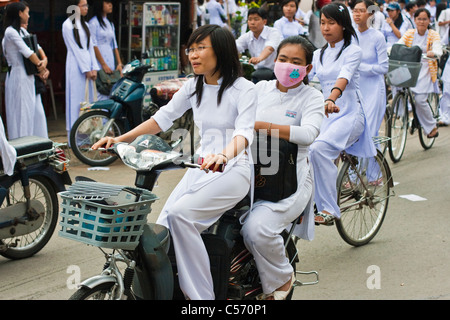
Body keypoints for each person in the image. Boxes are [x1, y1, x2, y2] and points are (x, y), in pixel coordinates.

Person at [92, 24, 257, 300]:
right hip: (201, 168)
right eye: (190, 49)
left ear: (222, 51)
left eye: (200, 48)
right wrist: (121, 139)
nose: (192, 55)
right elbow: (162, 119)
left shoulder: (244, 89)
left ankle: (201, 297)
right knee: (163, 228)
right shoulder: (194, 86)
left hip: (233, 170)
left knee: (181, 217)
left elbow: (244, 132)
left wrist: (225, 155)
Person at [241, 36, 324, 300]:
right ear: (274, 61)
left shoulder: (312, 96)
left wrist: (262, 126)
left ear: (308, 69)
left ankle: (282, 276)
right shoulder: (260, 89)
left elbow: (309, 133)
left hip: (291, 179)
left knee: (256, 229)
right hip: (249, 172)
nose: (288, 66)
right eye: (283, 59)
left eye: (296, 62)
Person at [308, 2, 376, 225]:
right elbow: (308, 81)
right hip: (327, 114)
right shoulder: (318, 54)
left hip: (349, 113)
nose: (326, 28)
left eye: (332, 23)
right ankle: (310, 200)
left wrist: (331, 98)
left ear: (344, 26)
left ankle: (329, 208)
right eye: (323, 23)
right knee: (302, 148)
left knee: (319, 149)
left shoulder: (353, 51)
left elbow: (343, 78)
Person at [1, 1, 48, 140]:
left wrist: (43, 63)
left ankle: (33, 144)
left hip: (28, 77)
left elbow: (37, 48)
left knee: (29, 112)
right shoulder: (10, 32)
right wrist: (41, 66)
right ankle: (22, 146)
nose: (28, 15)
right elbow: (28, 52)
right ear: (20, 13)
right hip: (18, 76)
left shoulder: (21, 31)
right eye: (27, 12)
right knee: (20, 113)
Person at [397, 8, 442, 138]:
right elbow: (399, 44)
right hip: (410, 67)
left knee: (420, 100)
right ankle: (402, 113)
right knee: (396, 84)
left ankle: (431, 126)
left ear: (429, 20)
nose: (422, 22)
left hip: (425, 69)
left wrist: (433, 52)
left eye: (424, 19)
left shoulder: (433, 34)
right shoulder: (410, 33)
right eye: (419, 19)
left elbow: (438, 49)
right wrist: (392, 50)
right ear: (415, 20)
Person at [62, 0, 99, 140]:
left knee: (88, 100)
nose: (86, 8)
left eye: (86, 5)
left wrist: (94, 68)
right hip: (76, 66)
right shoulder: (67, 25)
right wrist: (86, 69)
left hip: (88, 67)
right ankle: (75, 137)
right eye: (83, 5)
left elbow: (90, 48)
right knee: (76, 100)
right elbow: (76, 49)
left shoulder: (86, 25)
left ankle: (87, 136)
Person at [353, 0, 389, 138]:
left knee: (369, 130)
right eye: (355, 10)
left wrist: (360, 67)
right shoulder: (351, 36)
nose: (357, 14)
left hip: (373, 88)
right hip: (355, 86)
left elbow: (384, 67)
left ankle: (371, 159)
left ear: (370, 14)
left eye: (361, 11)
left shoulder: (377, 37)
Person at [235, 7, 282, 83]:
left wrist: (259, 58)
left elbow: (269, 48)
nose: (252, 22)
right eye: (250, 19)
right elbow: (235, 46)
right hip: (258, 73)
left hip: (275, 73)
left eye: (256, 19)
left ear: (264, 21)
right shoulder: (247, 35)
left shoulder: (273, 32)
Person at [89, 0, 123, 100]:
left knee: (110, 89)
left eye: (111, 3)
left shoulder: (110, 24)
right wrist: (103, 64)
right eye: (107, 3)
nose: (110, 5)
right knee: (101, 89)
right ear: (100, 5)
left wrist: (119, 63)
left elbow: (114, 46)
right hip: (99, 61)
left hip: (111, 60)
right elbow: (93, 45)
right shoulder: (93, 23)